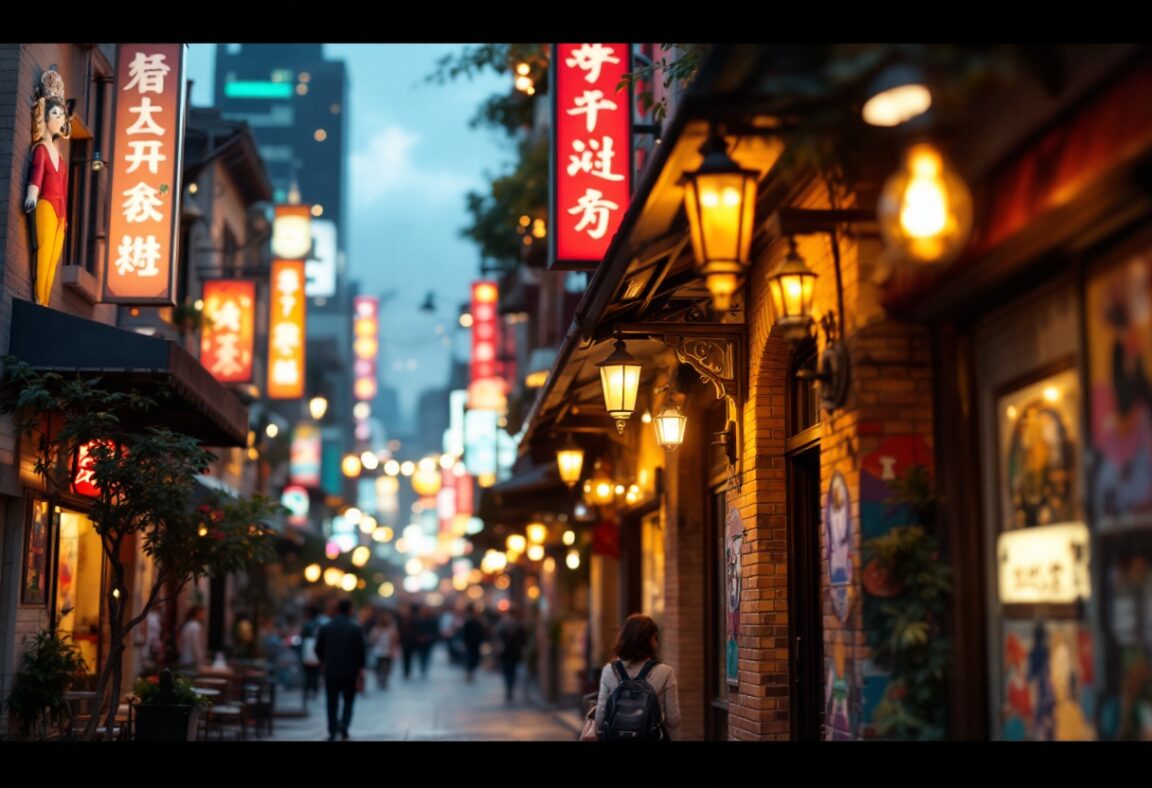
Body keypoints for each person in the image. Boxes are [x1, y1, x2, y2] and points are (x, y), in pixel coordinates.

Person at [593, 613, 681, 740]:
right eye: (656, 637)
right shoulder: (665, 672)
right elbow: (673, 720)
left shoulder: (609, 671)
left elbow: (600, 718)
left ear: (624, 638)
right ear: (651, 640)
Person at [25, 70, 71, 307]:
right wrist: (32, 194)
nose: (60, 118)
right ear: (44, 117)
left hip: (61, 211)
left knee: (54, 258)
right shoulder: (42, 150)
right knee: (44, 251)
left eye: (62, 115)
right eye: (55, 113)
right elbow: (37, 173)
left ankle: (45, 300)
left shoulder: (62, 158)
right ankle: (39, 296)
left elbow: (64, 188)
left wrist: (67, 218)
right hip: (46, 204)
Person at [315, 598, 366, 741]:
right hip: (350, 671)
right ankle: (344, 725)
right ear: (349, 609)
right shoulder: (355, 628)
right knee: (348, 701)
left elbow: (318, 648)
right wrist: (361, 668)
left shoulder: (326, 627)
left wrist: (324, 661)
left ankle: (332, 730)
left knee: (331, 702)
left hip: (331, 670)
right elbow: (361, 651)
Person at [494, 606, 527, 703]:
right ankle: (510, 687)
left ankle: (508, 688)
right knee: (513, 670)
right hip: (515, 651)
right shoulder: (519, 625)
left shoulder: (502, 624)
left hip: (505, 651)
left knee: (506, 670)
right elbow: (523, 640)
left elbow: (497, 637)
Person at [368, 610, 399, 690]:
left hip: (388, 652)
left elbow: (395, 641)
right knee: (378, 667)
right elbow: (371, 640)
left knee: (387, 668)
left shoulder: (392, 630)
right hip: (378, 652)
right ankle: (379, 680)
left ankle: (384, 681)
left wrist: (393, 651)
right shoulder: (376, 629)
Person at [299, 604, 323, 700]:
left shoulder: (307, 624)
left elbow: (302, 636)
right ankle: (314, 689)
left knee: (308, 671)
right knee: (315, 672)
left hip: (308, 648)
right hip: (317, 649)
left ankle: (308, 689)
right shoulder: (319, 624)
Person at [460, 605, 487, 683]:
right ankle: (469, 672)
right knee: (469, 658)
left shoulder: (479, 623)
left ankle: (471, 672)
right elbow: (464, 633)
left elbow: (482, 633)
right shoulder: (468, 622)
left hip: (476, 644)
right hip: (469, 643)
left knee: (475, 658)